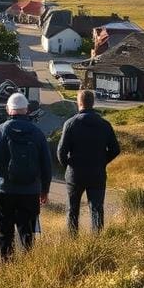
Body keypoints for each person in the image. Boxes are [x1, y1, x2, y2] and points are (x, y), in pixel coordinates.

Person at [0, 93, 52, 260]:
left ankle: (7, 267)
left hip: (4, 190)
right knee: (28, 232)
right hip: (30, 191)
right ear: (26, 110)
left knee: (5, 232)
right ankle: (28, 267)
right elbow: (46, 164)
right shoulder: (37, 133)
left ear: (8, 109)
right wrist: (45, 190)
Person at [56, 88, 120, 234]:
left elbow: (61, 152)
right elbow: (115, 149)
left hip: (75, 174)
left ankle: (73, 242)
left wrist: (69, 166)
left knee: (72, 209)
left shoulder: (71, 124)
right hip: (96, 173)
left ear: (79, 103)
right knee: (96, 209)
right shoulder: (104, 124)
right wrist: (102, 161)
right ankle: (97, 241)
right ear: (93, 103)